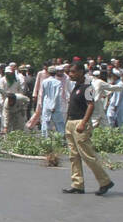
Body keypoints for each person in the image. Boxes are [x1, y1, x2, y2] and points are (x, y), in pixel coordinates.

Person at [61, 62, 114, 196]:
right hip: (71, 123)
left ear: (80, 72)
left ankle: (105, 181)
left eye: (73, 72)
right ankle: (77, 184)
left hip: (80, 123)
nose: (70, 74)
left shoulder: (87, 88)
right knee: (74, 156)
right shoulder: (76, 87)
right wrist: (67, 122)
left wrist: (83, 123)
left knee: (87, 155)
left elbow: (90, 105)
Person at [39, 67, 65, 134]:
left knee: (45, 122)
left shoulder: (44, 81)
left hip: (46, 103)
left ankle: (45, 139)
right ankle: (61, 139)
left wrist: (41, 104)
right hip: (55, 104)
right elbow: (57, 95)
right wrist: (53, 105)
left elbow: (43, 94)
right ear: (56, 73)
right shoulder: (58, 82)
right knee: (59, 123)